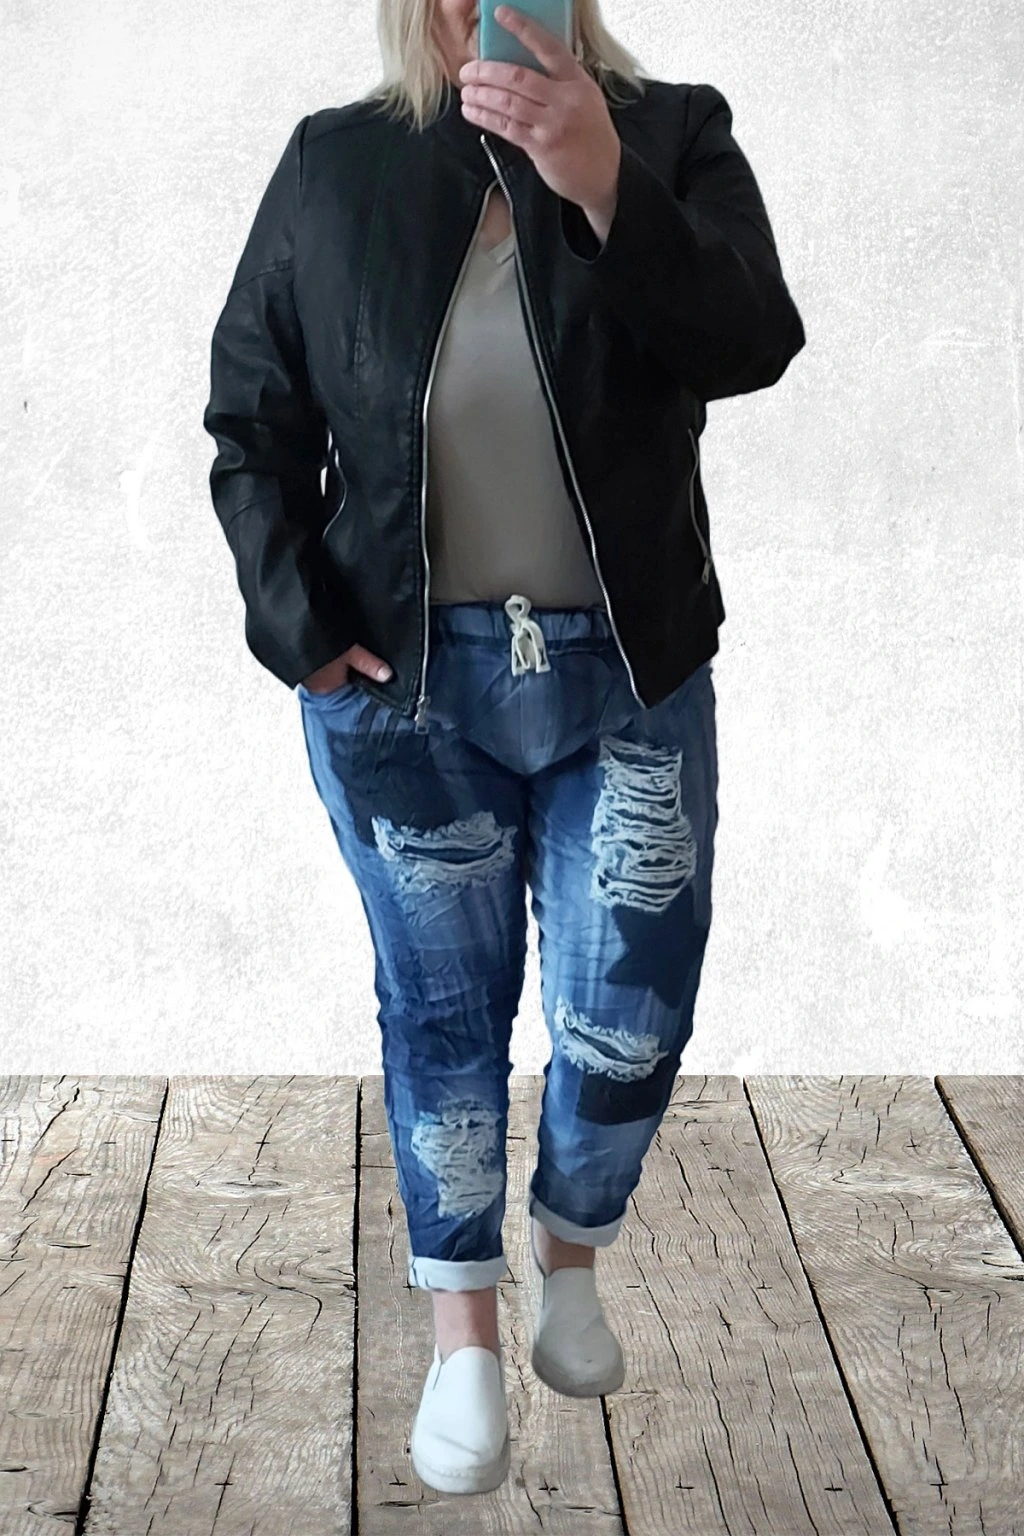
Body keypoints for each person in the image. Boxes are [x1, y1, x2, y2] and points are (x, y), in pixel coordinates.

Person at [203, 0, 805, 1498]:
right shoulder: (334, 162)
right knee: (443, 1020)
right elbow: (252, 420)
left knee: (629, 1018)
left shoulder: (674, 132)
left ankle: (571, 1249)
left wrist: (604, 182)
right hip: (406, 691)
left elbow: (753, 343)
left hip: (628, 675)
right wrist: (300, 625)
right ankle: (462, 1335)